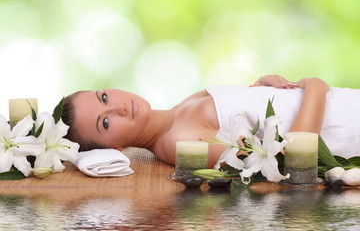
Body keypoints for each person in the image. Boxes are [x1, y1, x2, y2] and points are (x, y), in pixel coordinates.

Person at [61, 75, 360, 168]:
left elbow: (243, 120)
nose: (118, 107)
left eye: (103, 98)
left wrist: (260, 87)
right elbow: (290, 157)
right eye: (105, 123)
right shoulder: (177, 144)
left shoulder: (180, 109)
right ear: (116, 148)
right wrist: (316, 88)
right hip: (348, 129)